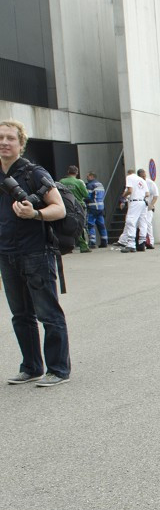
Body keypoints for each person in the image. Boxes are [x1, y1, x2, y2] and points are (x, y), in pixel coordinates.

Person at [0, 119, 71, 387]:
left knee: (48, 314)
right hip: (7, 254)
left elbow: (60, 209)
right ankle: (30, 367)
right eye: (1, 137)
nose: (4, 142)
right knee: (20, 315)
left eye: (10, 138)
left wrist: (36, 213)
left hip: (36, 253)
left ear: (20, 143)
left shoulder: (34, 173)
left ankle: (58, 369)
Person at [58, 166, 91, 253]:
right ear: (77, 173)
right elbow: (86, 194)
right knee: (80, 225)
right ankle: (83, 246)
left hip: (66, 206)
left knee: (65, 226)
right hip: (78, 207)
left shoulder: (61, 181)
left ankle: (68, 246)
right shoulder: (79, 182)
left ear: (68, 172)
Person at [118, 168, 148, 253]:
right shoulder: (142, 180)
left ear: (128, 173)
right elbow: (147, 194)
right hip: (142, 202)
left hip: (134, 202)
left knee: (130, 221)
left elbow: (130, 190)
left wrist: (123, 196)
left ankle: (131, 244)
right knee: (142, 222)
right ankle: (142, 243)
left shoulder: (129, 177)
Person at [85, 172, 107, 248]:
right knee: (101, 225)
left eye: (88, 176)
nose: (87, 178)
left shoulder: (90, 185)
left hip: (92, 207)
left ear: (91, 176)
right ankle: (104, 241)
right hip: (101, 207)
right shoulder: (100, 184)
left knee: (90, 224)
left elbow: (87, 197)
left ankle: (92, 242)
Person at [137, 169, 158, 249]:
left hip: (149, 206)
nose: (144, 178)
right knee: (140, 224)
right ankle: (143, 241)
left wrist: (151, 205)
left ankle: (150, 242)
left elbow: (155, 196)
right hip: (140, 206)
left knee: (148, 223)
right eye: (142, 176)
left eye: (145, 176)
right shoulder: (137, 183)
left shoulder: (150, 183)